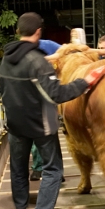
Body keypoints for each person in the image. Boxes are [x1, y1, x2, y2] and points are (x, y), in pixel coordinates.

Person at [0, 12, 105, 209]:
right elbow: (56, 94)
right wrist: (85, 82)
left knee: (18, 166)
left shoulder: (6, 59)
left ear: (18, 31)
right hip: (40, 125)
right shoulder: (37, 62)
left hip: (15, 124)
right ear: (38, 32)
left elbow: (2, 90)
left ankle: (21, 207)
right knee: (53, 168)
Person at [30, 38, 62, 182]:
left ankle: (55, 169)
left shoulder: (48, 45)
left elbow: (64, 52)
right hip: (31, 97)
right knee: (38, 136)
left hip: (47, 96)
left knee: (50, 135)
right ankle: (38, 168)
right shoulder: (22, 51)